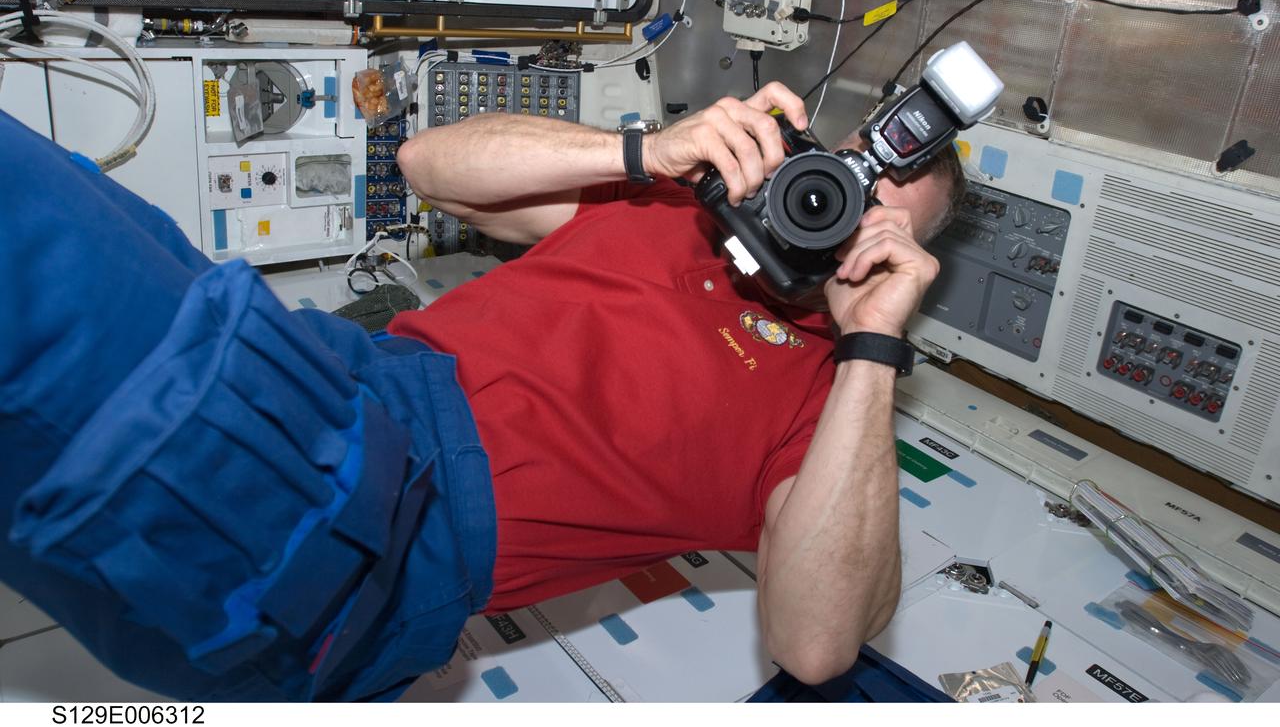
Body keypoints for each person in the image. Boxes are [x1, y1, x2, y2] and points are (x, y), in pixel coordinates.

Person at [0, 80, 961, 702]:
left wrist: (870, 346)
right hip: (333, 376)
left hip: (375, 522)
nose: (838, 211)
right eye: (847, 173)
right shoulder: (675, 205)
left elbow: (818, 645)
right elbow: (431, 167)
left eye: (884, 219)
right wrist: (645, 151)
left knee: (24, 229)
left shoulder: (819, 401)